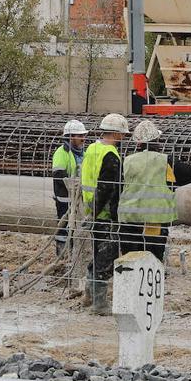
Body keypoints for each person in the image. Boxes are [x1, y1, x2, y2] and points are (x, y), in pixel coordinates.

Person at [118, 120, 191, 262]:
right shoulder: (165, 161)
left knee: (129, 261)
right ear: (157, 141)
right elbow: (188, 173)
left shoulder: (127, 161)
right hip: (154, 221)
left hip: (129, 219)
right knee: (152, 259)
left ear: (138, 143)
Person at [82, 113, 129, 315]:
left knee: (97, 253)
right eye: (123, 134)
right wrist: (98, 211)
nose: (124, 138)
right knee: (106, 257)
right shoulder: (110, 155)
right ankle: (99, 304)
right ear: (116, 134)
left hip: (92, 211)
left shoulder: (92, 149)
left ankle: (89, 293)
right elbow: (106, 187)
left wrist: (90, 211)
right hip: (104, 214)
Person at [51, 120, 87, 255]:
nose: (83, 138)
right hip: (65, 199)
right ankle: (62, 254)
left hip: (78, 199)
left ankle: (73, 253)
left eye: (84, 135)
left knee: (76, 227)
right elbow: (59, 175)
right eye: (80, 136)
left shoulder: (83, 153)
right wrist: (74, 185)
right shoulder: (62, 152)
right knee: (64, 227)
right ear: (71, 137)